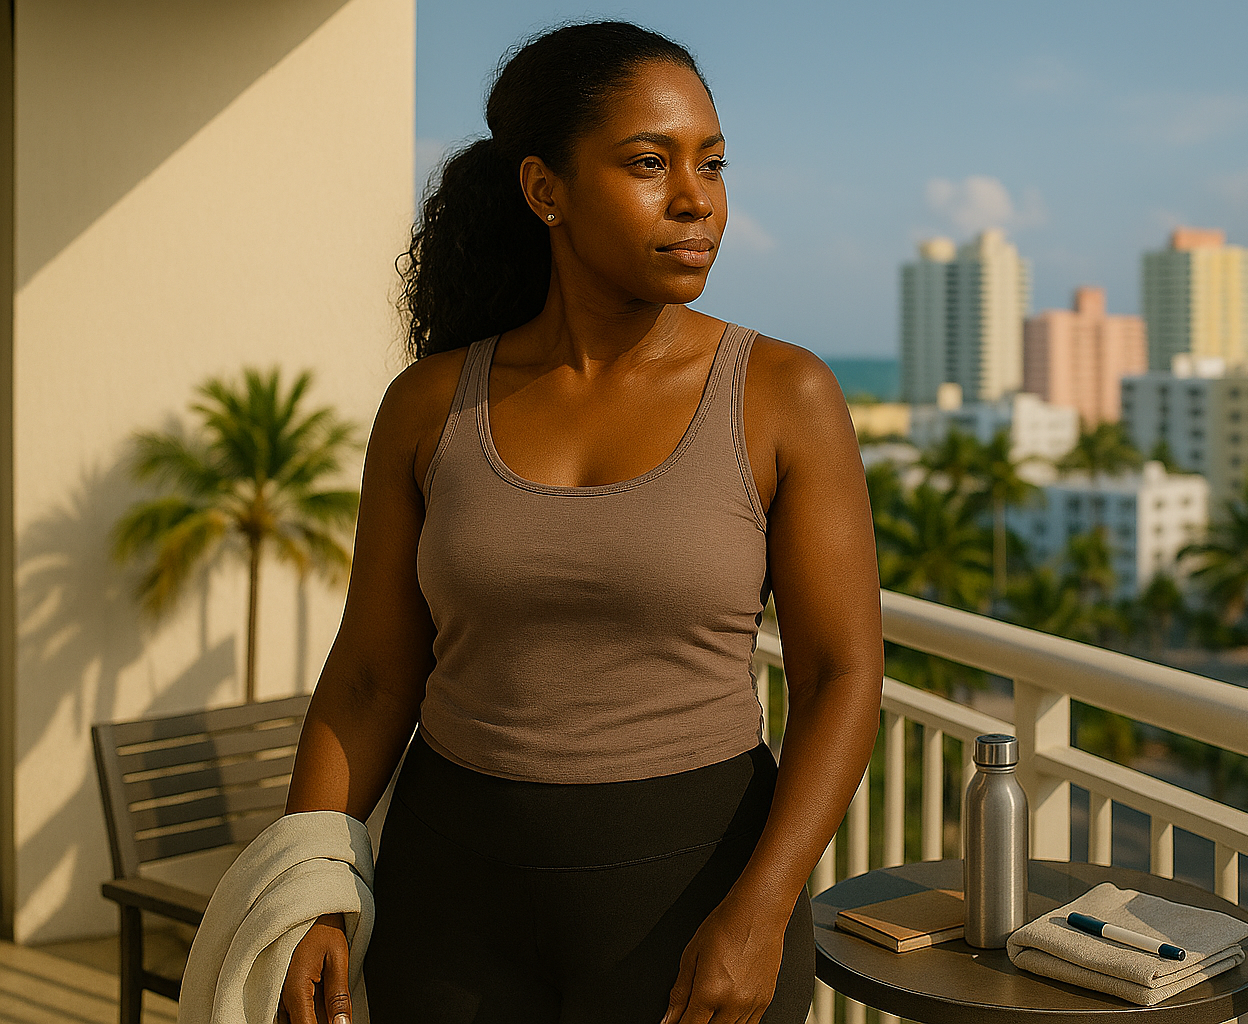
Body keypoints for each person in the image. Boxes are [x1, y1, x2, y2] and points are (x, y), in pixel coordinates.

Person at [277, 20, 884, 1024]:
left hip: (695, 902)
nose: (698, 199)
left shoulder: (783, 394)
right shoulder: (432, 405)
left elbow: (839, 677)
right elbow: (374, 677)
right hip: (450, 901)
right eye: (650, 163)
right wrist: (309, 889)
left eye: (713, 163)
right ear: (544, 190)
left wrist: (763, 909)